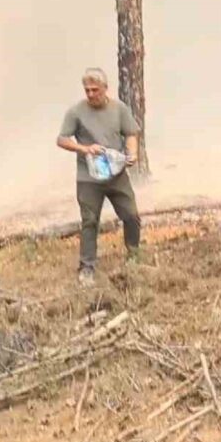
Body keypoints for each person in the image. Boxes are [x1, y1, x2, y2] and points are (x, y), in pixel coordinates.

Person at [56, 68, 141, 286]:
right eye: (87, 90)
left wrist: (132, 153)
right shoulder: (76, 112)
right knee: (90, 221)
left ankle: (133, 256)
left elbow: (131, 133)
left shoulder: (119, 109)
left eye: (95, 90)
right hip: (88, 177)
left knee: (131, 215)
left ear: (105, 88)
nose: (91, 94)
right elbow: (62, 139)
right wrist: (84, 149)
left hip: (116, 174)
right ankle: (87, 267)